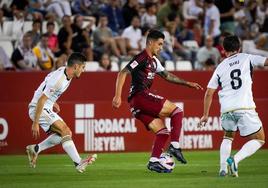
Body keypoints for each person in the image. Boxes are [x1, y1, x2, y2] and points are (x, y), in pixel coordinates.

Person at [112, 29, 203, 173]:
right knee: (177, 112)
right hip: (140, 97)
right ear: (150, 42)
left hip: (136, 106)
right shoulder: (141, 58)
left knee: (162, 132)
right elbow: (123, 72)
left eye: (162, 45)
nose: (161, 48)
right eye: (159, 44)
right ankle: (175, 145)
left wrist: (187, 83)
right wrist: (117, 95)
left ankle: (153, 161)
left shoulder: (154, 61)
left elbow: (167, 76)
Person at [198, 35, 268, 177]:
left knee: (228, 136)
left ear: (223, 50)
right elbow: (266, 62)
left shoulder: (220, 67)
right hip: (244, 107)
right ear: (239, 48)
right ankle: (235, 160)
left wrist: (205, 115)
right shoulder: (247, 58)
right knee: (260, 139)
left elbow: (209, 92)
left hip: (226, 109)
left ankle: (222, 169)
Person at [26, 52, 97, 173]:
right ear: (75, 67)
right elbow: (41, 99)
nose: (83, 70)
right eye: (83, 67)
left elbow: (44, 87)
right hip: (38, 107)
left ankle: (36, 149)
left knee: (65, 133)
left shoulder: (64, 73)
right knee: (64, 131)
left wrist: (52, 101)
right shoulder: (59, 80)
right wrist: (35, 123)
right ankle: (78, 162)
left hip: (45, 106)